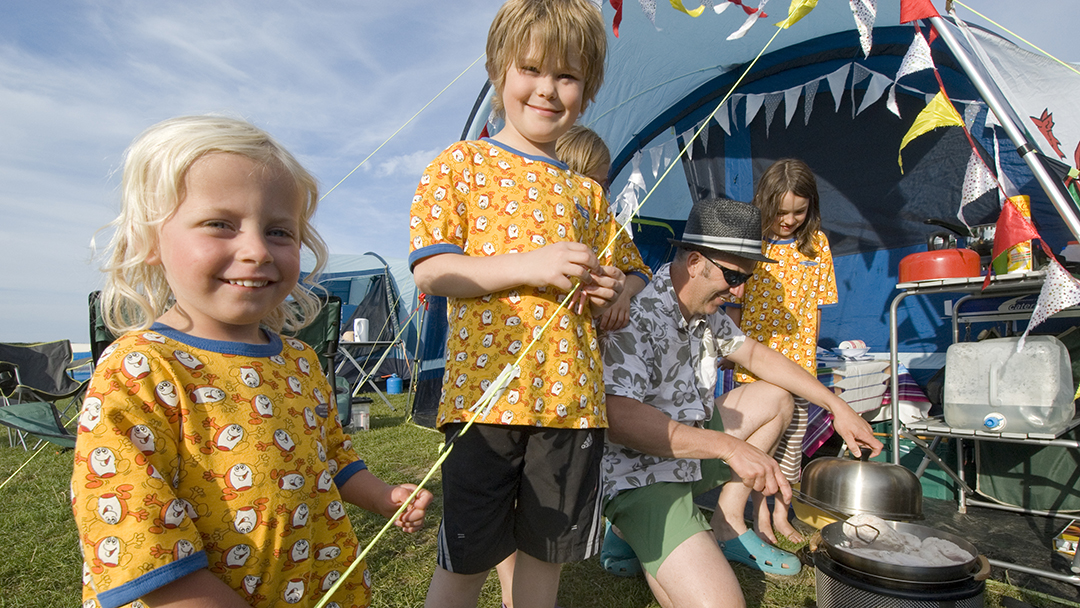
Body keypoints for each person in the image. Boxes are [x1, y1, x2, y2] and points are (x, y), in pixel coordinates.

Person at [73, 115, 432, 608]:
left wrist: (381, 496)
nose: (257, 250)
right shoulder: (141, 369)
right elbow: (136, 537)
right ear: (149, 240)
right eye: (220, 224)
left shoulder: (301, 361)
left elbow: (334, 457)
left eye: (279, 231)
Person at [408, 1, 651, 606]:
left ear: (588, 90)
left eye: (566, 77)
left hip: (572, 404)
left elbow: (634, 271)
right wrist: (529, 266)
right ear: (498, 70)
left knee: (548, 558)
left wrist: (614, 291)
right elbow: (435, 271)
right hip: (484, 400)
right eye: (531, 69)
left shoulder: (586, 192)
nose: (547, 89)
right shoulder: (460, 164)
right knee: (466, 556)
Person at [600, 197, 882, 608]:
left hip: (686, 455)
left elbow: (755, 356)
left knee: (776, 398)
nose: (740, 290)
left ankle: (727, 525)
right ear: (695, 262)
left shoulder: (704, 309)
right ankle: (634, 527)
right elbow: (619, 418)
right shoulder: (636, 312)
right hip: (640, 475)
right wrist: (732, 448)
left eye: (745, 277)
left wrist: (836, 405)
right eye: (733, 276)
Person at [494, 124, 650, 608]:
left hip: (569, 379)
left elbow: (637, 269)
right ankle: (509, 593)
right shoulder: (528, 206)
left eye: (604, 184)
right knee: (507, 497)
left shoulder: (598, 215)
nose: (599, 190)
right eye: (594, 179)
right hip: (511, 376)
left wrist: (622, 291)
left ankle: (531, 594)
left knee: (549, 497)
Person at [725, 158, 837, 545]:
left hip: (799, 365)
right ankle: (757, 517)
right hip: (755, 366)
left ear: (811, 208)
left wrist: (810, 357)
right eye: (781, 212)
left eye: (799, 212)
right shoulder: (753, 243)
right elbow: (735, 304)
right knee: (762, 445)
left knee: (791, 449)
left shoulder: (817, 245)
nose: (789, 220)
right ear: (764, 203)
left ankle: (780, 513)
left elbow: (818, 309)